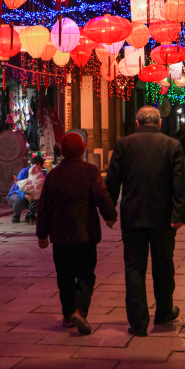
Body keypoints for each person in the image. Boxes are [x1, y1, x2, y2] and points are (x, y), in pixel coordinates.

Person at [106, 106, 185, 337]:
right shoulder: (172, 145)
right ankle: (163, 311)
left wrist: (109, 210)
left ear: (137, 122)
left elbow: (113, 181)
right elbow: (178, 184)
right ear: (159, 123)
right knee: (163, 266)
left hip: (133, 217)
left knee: (134, 268)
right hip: (163, 218)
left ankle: (138, 322)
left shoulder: (123, 145)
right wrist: (178, 215)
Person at [37, 132, 117, 335]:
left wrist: (42, 234)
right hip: (85, 235)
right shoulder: (90, 171)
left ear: (62, 151)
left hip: (60, 236)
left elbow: (44, 206)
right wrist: (110, 216)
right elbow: (101, 195)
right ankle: (80, 311)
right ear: (82, 149)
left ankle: (67, 314)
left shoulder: (54, 175)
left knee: (64, 276)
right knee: (85, 275)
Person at [7, 155, 44, 223]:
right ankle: (17, 214)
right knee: (18, 200)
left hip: (34, 197)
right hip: (18, 195)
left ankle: (31, 215)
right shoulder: (24, 172)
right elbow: (17, 187)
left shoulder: (42, 175)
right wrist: (25, 195)